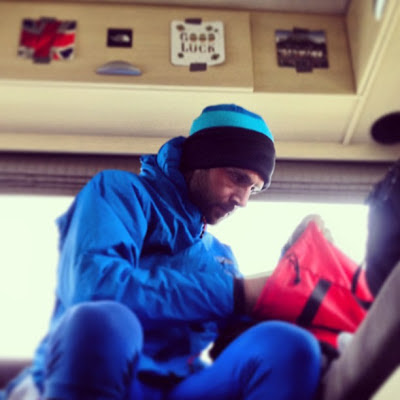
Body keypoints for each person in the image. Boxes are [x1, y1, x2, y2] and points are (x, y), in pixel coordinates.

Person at [2, 104, 322, 400]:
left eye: (253, 188)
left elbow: (236, 343)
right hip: (89, 376)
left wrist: (290, 279)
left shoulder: (220, 259)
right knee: (105, 320)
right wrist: (237, 292)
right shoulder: (120, 193)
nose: (243, 200)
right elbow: (94, 289)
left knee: (289, 347)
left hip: (177, 388)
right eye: (237, 178)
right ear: (201, 161)